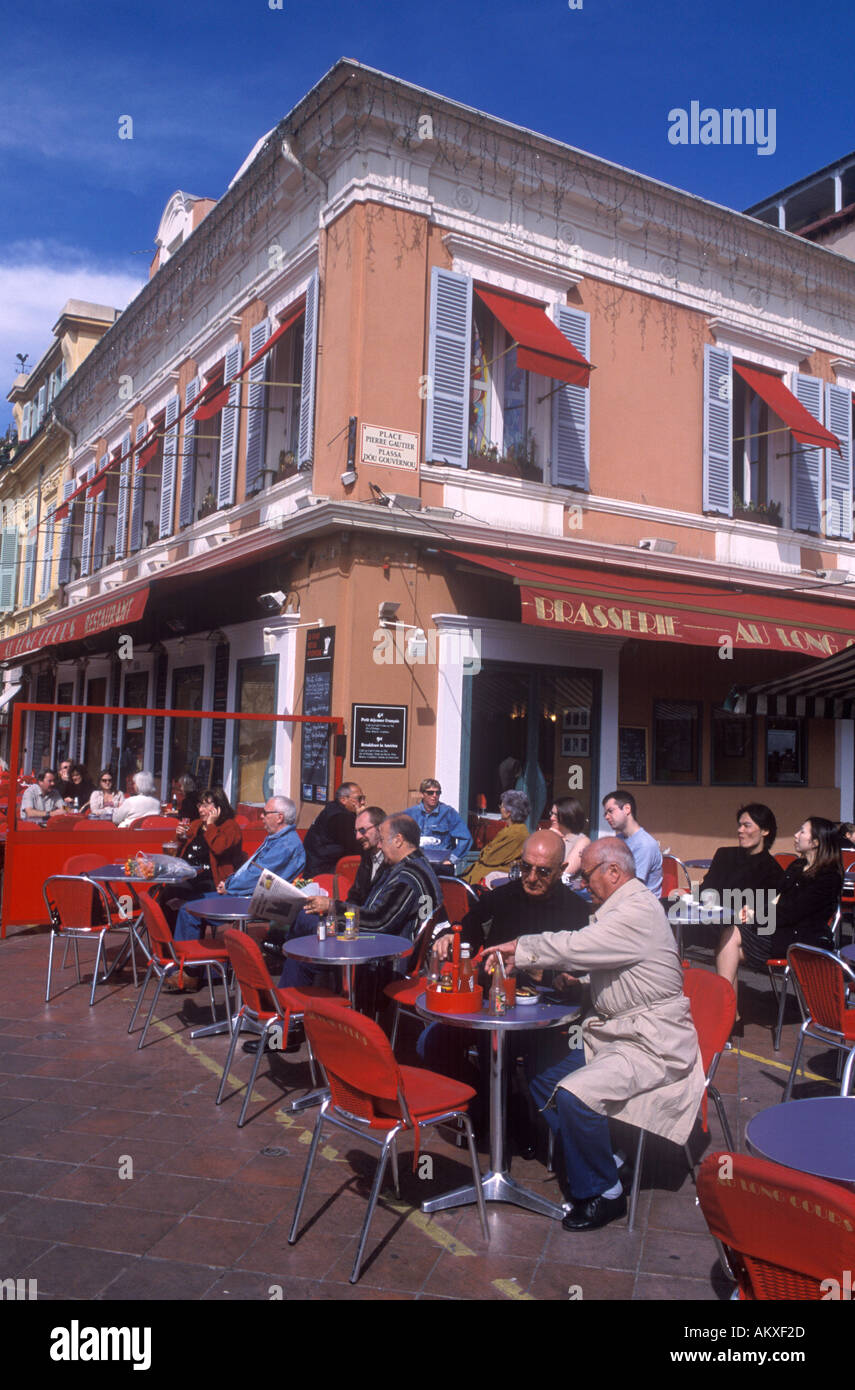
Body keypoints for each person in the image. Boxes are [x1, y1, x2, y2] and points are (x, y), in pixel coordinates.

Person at [487, 838, 704, 1231]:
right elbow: (622, 965)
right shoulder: (620, 908)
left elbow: (578, 945)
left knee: (575, 1094)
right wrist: (584, 981)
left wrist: (521, 948)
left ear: (614, 871)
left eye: (586, 876)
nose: (583, 884)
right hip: (619, 1034)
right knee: (542, 1071)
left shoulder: (635, 911)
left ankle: (604, 1193)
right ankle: (603, 1156)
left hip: (652, 1044)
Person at [279, 813, 441, 990]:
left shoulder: (408, 876)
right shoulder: (410, 867)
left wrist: (332, 907)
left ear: (398, 840)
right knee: (304, 949)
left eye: (382, 840)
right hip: (378, 942)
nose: (379, 845)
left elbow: (379, 922)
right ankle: (290, 998)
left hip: (383, 953)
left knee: (307, 924)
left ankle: (286, 993)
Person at [716, 815, 842, 996]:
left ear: (815, 842)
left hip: (801, 939)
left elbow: (793, 911)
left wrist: (756, 915)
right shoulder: (797, 865)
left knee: (729, 941)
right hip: (779, 929)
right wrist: (752, 908)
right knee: (728, 942)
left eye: (802, 832)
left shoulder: (828, 877)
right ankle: (728, 1009)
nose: (796, 835)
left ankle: (726, 1008)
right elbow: (775, 895)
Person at [173, 795, 304, 951]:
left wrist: (229, 885)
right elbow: (253, 871)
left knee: (188, 909)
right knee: (183, 902)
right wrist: (230, 882)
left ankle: (188, 961)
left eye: (265, 813)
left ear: (279, 817)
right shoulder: (278, 839)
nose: (261, 816)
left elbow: (259, 878)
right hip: (247, 893)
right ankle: (193, 958)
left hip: (255, 900)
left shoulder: (285, 845)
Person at [163, 789, 245, 929]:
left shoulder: (230, 827)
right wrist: (179, 837)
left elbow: (219, 848)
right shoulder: (197, 824)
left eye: (205, 806)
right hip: (189, 875)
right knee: (164, 892)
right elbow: (176, 848)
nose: (200, 809)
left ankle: (181, 939)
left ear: (219, 807)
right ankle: (167, 939)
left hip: (212, 880)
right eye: (199, 805)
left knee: (173, 892)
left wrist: (211, 825)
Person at [602, 789, 662, 896]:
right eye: (605, 813)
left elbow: (631, 886)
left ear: (627, 809)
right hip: (621, 898)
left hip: (640, 903)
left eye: (610, 811)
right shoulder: (618, 840)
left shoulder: (644, 844)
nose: (606, 817)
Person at [463, 790, 530, 885]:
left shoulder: (516, 833)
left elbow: (489, 858)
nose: (500, 809)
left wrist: (485, 852)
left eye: (501, 806)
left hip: (484, 881)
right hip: (477, 877)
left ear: (509, 812)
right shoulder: (511, 829)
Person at [405, 778, 472, 865]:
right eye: (430, 792)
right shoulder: (409, 814)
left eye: (438, 793)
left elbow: (466, 838)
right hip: (417, 865)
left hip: (441, 866)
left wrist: (452, 860)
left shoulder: (449, 813)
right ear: (422, 794)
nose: (434, 795)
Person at [302, 782, 363, 876]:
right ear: (343, 800)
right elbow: (355, 846)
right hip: (322, 869)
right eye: (359, 799)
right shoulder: (340, 816)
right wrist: (361, 817)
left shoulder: (333, 808)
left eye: (363, 798)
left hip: (315, 863)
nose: (362, 802)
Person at [549, 797, 591, 882]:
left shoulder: (582, 841)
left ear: (568, 815)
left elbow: (565, 874)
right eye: (551, 813)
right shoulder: (551, 835)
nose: (551, 818)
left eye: (556, 815)